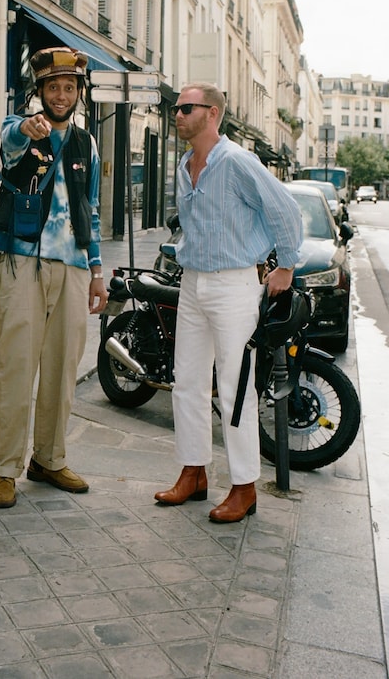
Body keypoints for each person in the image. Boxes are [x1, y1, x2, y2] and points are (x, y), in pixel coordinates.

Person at [155, 82, 302, 522]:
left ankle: (244, 486)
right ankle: (194, 472)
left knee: (235, 388)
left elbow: (286, 212)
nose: (177, 114)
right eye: (176, 109)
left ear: (213, 113)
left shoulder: (238, 161)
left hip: (236, 285)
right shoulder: (184, 166)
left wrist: (287, 266)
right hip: (194, 282)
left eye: (186, 108)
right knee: (188, 382)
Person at [0, 46, 108, 508]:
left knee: (62, 366)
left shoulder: (87, 144)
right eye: (53, 87)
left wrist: (97, 271)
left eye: (69, 87)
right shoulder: (18, 127)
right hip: (22, 261)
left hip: (73, 266)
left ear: (79, 93)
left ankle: (50, 458)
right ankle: (4, 469)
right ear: (40, 92)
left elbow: (90, 211)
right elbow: (12, 143)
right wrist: (27, 127)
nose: (61, 95)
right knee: (15, 364)